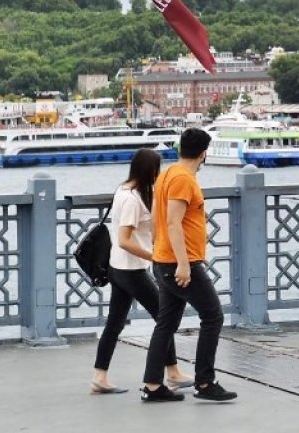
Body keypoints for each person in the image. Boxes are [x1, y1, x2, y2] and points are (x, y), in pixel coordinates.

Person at [142, 128, 237, 402]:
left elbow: (157, 217)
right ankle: (205, 383)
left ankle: (152, 385)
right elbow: (173, 221)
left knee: (166, 323)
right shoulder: (184, 179)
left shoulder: (168, 174)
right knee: (213, 316)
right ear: (204, 152)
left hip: (164, 259)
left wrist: (157, 247)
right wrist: (183, 264)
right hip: (181, 263)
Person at [91, 148, 193, 395]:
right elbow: (125, 240)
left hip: (119, 267)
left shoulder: (124, 189)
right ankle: (172, 372)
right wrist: (155, 256)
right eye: (157, 170)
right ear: (150, 171)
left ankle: (100, 376)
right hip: (130, 270)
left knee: (115, 323)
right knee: (165, 319)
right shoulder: (131, 199)